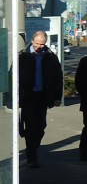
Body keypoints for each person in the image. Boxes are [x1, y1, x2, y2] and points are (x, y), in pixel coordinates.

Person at [17, 30, 63, 168]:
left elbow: (58, 78)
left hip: (43, 96)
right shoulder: (23, 56)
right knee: (31, 126)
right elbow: (14, 76)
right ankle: (32, 157)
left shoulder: (50, 57)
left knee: (41, 126)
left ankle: (32, 146)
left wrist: (57, 97)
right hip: (28, 96)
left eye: (42, 44)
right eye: (37, 43)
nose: (39, 47)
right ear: (32, 41)